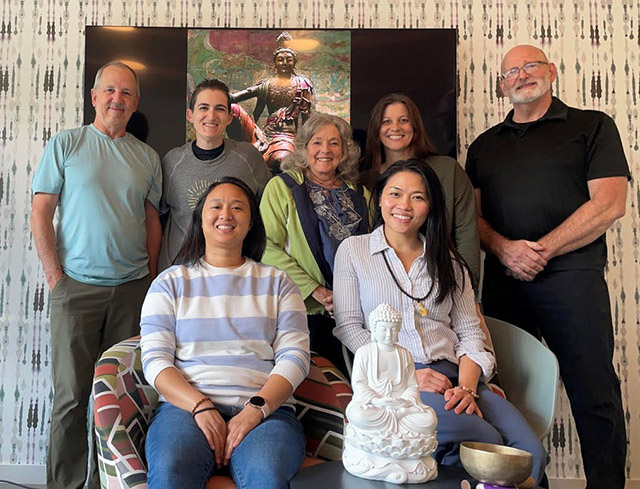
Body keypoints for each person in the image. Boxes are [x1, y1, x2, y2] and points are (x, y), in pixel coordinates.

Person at [465, 44, 629, 489]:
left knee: (595, 395)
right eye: (510, 72)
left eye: (529, 66)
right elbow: (473, 219)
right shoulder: (483, 146)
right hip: (504, 283)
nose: (520, 76)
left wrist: (542, 250)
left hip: (573, 281)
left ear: (551, 71)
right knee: (508, 398)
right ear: (502, 86)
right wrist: (504, 250)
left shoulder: (592, 126)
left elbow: (611, 203)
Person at [333, 160, 546, 488]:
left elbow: (471, 332)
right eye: (395, 194)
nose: (404, 205)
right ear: (379, 199)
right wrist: (406, 374)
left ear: (431, 205)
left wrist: (467, 388)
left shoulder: (448, 261)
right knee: (484, 438)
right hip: (400, 385)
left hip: (459, 376)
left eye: (417, 197)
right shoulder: (354, 251)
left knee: (529, 453)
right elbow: (349, 326)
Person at [30, 61, 162, 489]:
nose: (116, 99)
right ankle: (65, 485)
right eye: (109, 90)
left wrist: (151, 279)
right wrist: (56, 279)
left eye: (126, 93)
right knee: (71, 398)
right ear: (94, 96)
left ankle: (107, 482)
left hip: (131, 291)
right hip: (77, 291)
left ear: (135, 102)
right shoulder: (66, 144)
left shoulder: (146, 157)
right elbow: (41, 213)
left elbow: (151, 222)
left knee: (119, 400)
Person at [140, 177, 310, 489]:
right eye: (215, 206)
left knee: (266, 476)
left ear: (251, 223)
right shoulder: (170, 282)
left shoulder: (279, 283)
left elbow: (296, 358)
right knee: (170, 471)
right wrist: (200, 406)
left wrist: (255, 410)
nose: (225, 215)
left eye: (237, 208)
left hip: (266, 412)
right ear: (200, 219)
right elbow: (154, 361)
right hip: (185, 410)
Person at [260, 113, 370, 376]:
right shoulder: (282, 188)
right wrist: (319, 292)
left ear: (344, 151)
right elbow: (265, 247)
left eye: (334, 143)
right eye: (317, 142)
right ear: (304, 148)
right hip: (303, 313)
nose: (325, 150)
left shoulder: (360, 194)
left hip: (357, 316)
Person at [360, 93, 480, 287]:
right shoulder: (364, 181)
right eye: (386, 121)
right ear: (376, 130)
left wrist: (468, 290)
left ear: (415, 127)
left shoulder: (448, 171)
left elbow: (467, 235)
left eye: (404, 120)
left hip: (445, 285)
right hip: (383, 289)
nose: (395, 128)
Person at [158, 78, 271, 271]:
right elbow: (158, 219)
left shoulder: (249, 158)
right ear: (190, 115)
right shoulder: (171, 162)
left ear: (229, 117)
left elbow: (268, 217)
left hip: (234, 274)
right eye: (203, 108)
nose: (211, 116)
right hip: (179, 273)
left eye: (219, 109)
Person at [230, 32, 314, 172]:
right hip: (264, 134)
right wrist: (218, 94)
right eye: (280, 59)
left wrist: (304, 145)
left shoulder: (302, 85)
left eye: (289, 59)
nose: (285, 63)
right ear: (275, 63)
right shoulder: (266, 84)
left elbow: (306, 120)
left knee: (281, 159)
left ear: (294, 63)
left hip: (286, 136)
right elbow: (235, 98)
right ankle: (235, 148)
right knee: (232, 109)